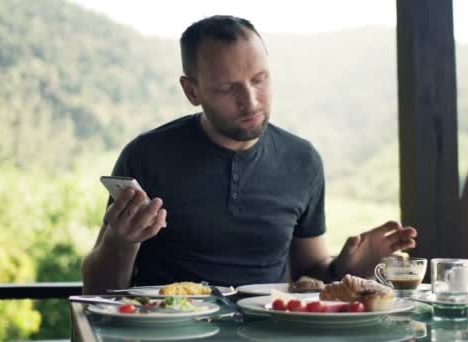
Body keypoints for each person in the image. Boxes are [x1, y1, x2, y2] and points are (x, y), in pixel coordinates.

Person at [81, 15, 417, 295]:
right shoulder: (147, 156)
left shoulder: (303, 161)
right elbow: (97, 290)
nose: (250, 101)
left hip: (269, 329)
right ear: (191, 91)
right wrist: (119, 243)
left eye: (259, 79)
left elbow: (310, 275)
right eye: (228, 88)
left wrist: (349, 266)